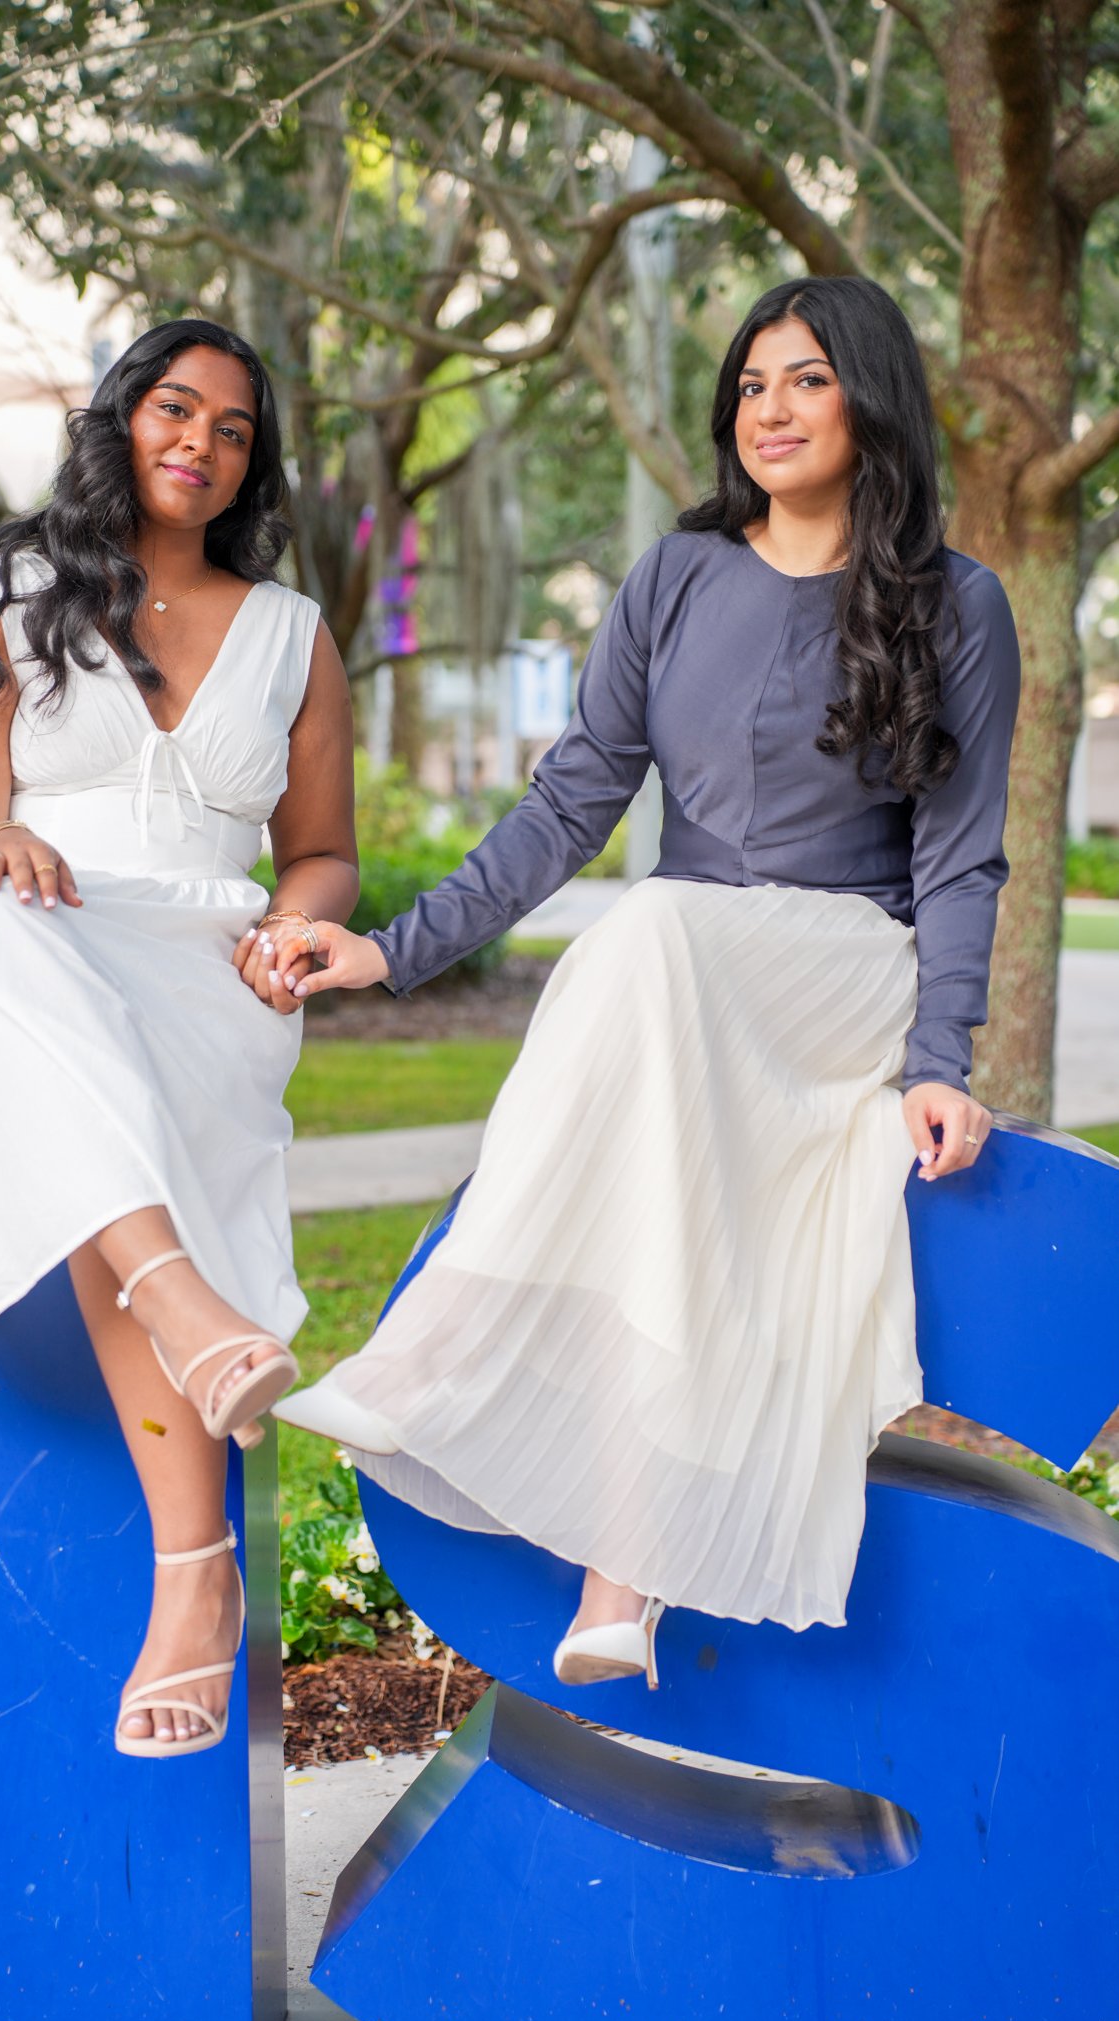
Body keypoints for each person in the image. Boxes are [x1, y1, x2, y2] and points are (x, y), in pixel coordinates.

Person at [271, 277, 1020, 1685]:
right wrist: (391, 950)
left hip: (835, 964)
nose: (769, 410)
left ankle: (435, 1364)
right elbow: (569, 806)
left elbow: (961, 861)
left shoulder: (957, 605)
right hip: (682, 965)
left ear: (868, 399)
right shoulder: (675, 578)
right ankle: (618, 1582)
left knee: (648, 933)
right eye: (748, 385)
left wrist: (937, 1057)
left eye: (803, 380)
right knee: (654, 1067)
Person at [0, 319, 359, 1754]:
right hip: (39, 927)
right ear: (120, 418)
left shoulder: (293, 637)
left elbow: (320, 855)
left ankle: (194, 1544)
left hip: (209, 965)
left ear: (254, 462)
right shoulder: (6, 595)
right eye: (173, 409)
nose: (198, 443)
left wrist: (291, 929)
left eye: (234, 429)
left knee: (78, 1079)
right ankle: (190, 1445)